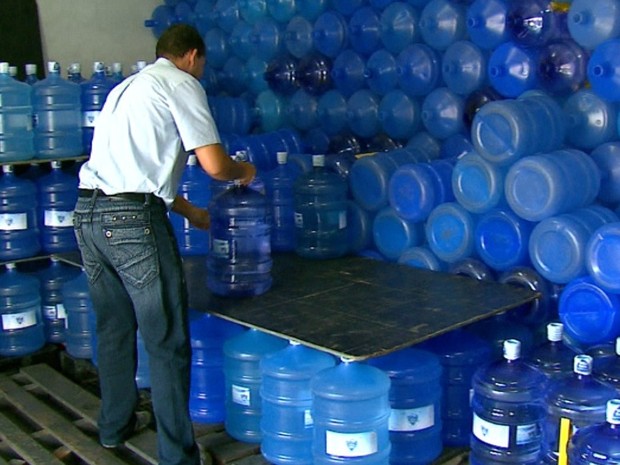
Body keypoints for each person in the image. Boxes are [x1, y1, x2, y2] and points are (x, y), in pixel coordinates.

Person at [73, 24, 256, 465]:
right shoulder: (181, 84)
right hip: (132, 222)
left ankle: (114, 428)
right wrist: (242, 173)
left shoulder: (126, 89)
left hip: (89, 217)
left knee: (115, 330)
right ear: (192, 56)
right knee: (167, 339)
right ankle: (178, 457)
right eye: (202, 64)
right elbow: (213, 164)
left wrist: (192, 213)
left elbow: (135, 168)